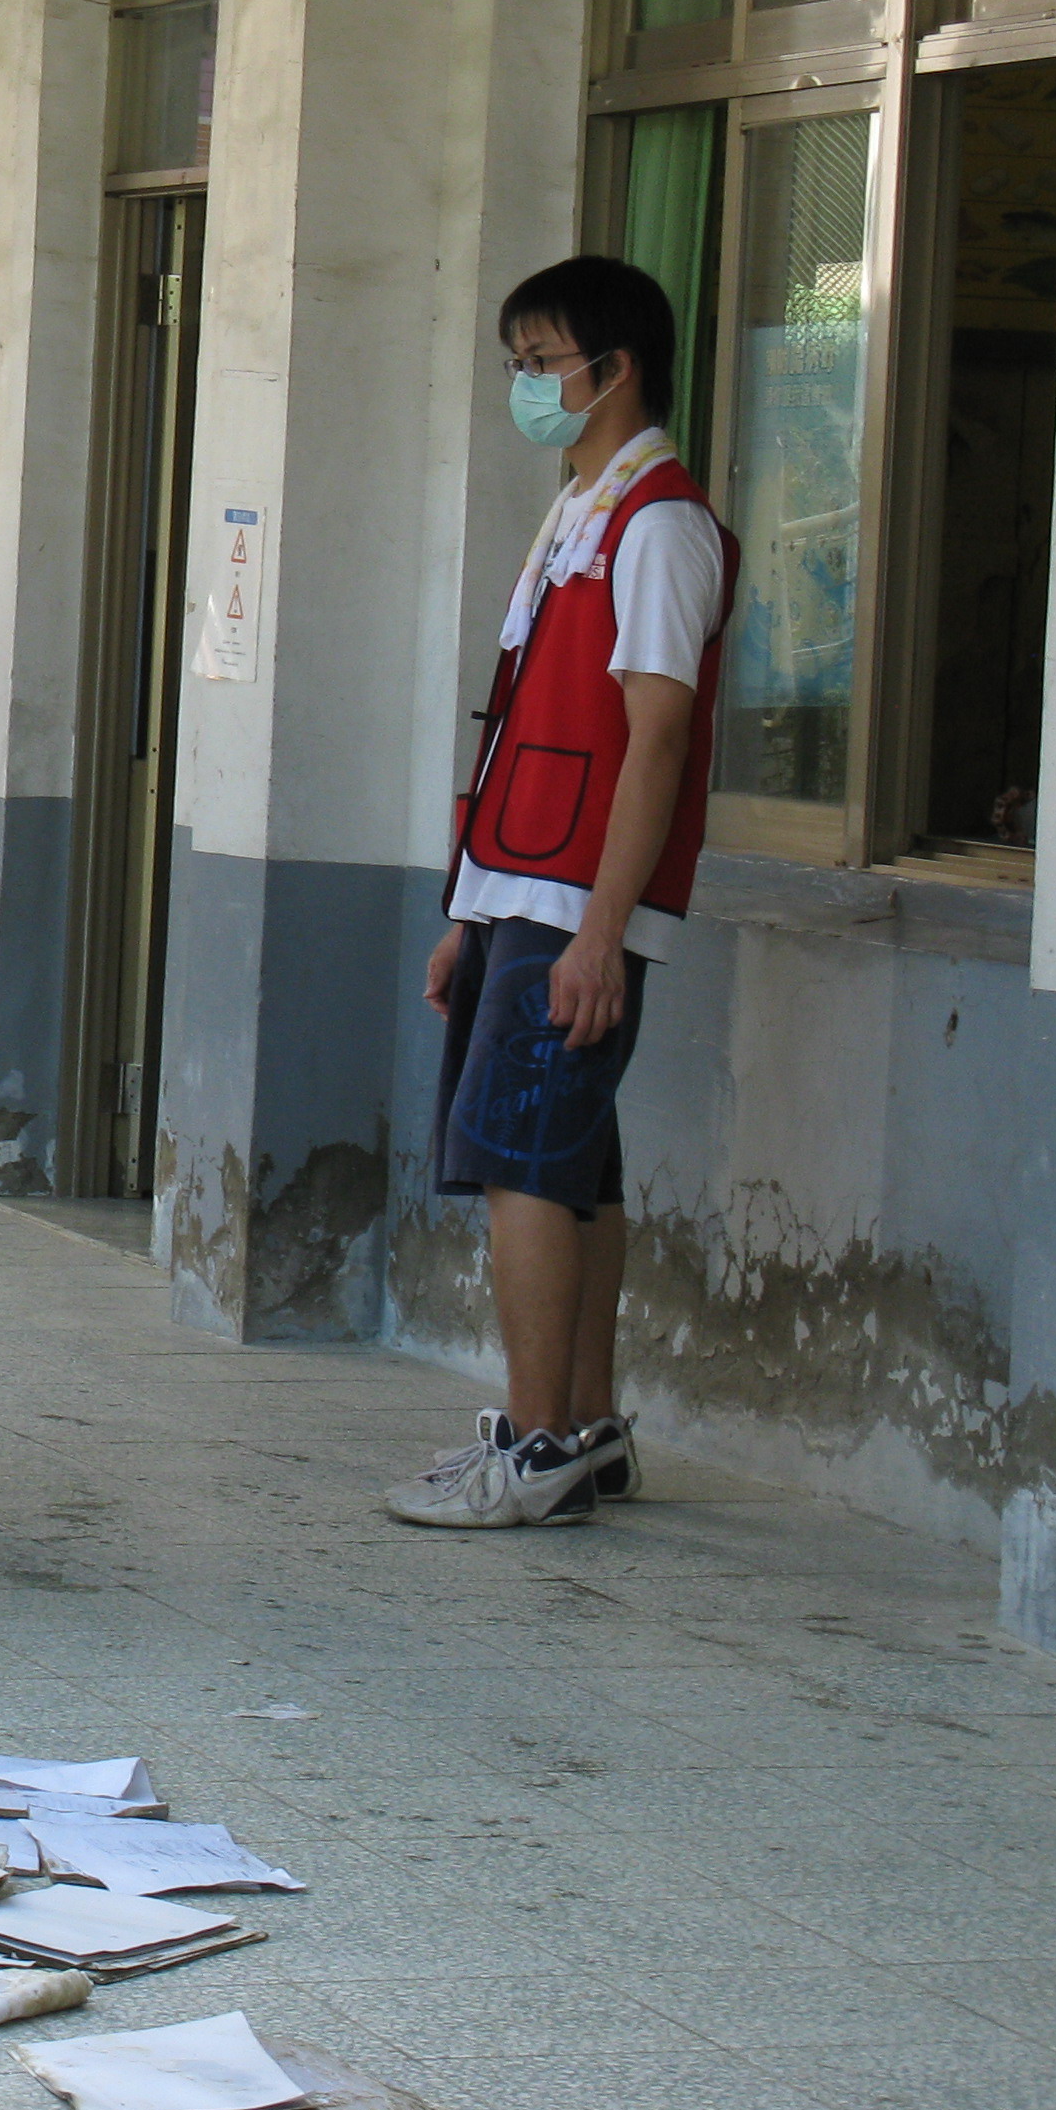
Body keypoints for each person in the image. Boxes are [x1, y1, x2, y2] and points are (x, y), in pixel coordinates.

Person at [395, 255, 734, 1531]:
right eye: (520, 363)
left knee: (524, 1164)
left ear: (615, 367)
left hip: (573, 901)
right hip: (521, 888)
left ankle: (535, 1444)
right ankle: (586, 1428)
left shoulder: (659, 525)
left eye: (542, 363)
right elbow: (532, 720)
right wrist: (471, 915)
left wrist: (598, 931)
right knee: (574, 1162)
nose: (527, 386)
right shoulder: (583, 508)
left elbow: (653, 741)